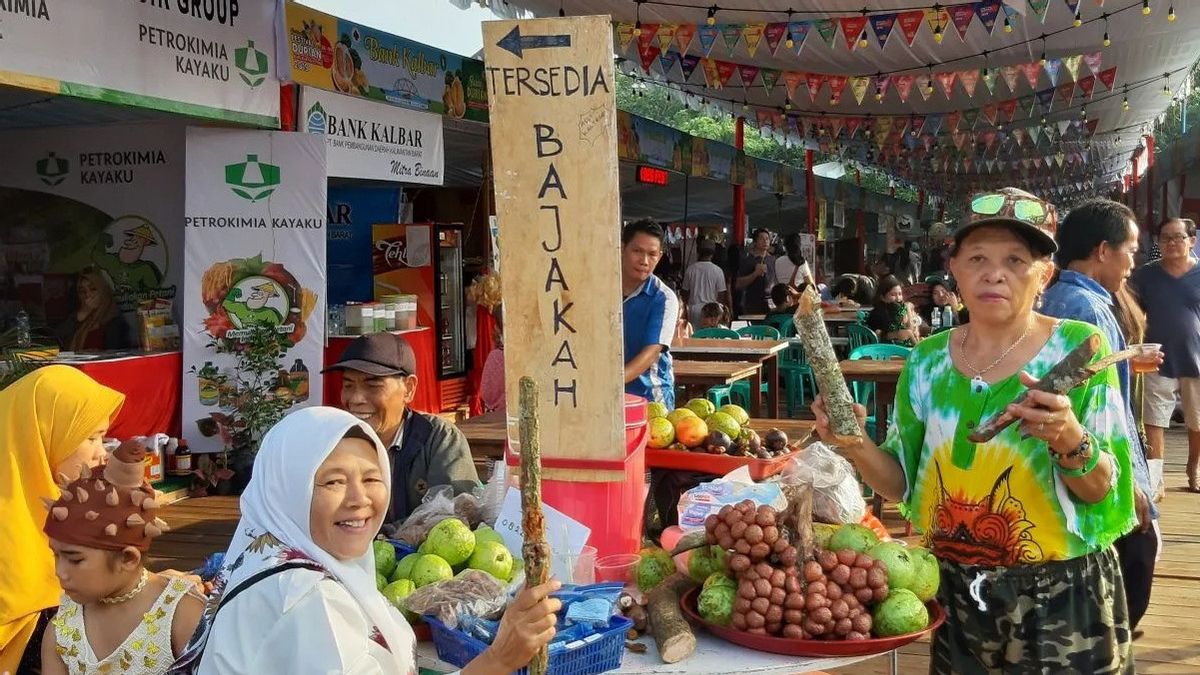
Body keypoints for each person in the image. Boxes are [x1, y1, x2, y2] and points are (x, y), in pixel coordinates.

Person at [812, 188, 1136, 674]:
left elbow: (1101, 489)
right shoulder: (926, 360)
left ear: (1044, 274)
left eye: (1016, 259)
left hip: (1062, 594)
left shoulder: (1080, 349)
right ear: (956, 269)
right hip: (957, 594)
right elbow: (902, 484)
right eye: (978, 257)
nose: (994, 272)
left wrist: (1069, 437)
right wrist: (856, 445)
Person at [176, 407, 561, 674]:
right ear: (287, 490)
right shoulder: (307, 600)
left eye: (371, 478)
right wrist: (497, 660)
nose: (360, 499)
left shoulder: (262, 555)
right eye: (333, 481)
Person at [1039, 198, 1157, 632]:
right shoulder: (1086, 310)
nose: (1133, 261)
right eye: (1130, 248)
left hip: (1076, 460)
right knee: (1134, 555)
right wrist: (1131, 482)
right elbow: (1097, 408)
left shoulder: (1066, 298)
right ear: (1102, 251)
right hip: (1091, 461)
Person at [40, 440, 204, 675]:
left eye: (74, 559)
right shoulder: (63, 628)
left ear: (128, 558)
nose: (59, 571)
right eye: (55, 555)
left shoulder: (180, 616)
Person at [0, 366, 124, 674]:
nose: (103, 455)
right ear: (41, 436)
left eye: (104, 438)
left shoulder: (56, 508)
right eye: (92, 438)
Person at [325, 333, 479, 523]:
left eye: (373, 386)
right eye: (348, 386)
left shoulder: (439, 438)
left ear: (409, 388)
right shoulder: (334, 442)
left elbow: (456, 513)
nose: (356, 399)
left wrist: (386, 537)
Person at [1130, 217, 1200, 492]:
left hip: (1196, 359)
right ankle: (1155, 479)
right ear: (1158, 243)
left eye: (1178, 237)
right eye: (1165, 238)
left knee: (1197, 421)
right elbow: (1132, 311)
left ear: (1191, 241)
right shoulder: (1145, 276)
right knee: (1154, 420)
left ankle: (1194, 468)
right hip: (1156, 358)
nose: (1171, 243)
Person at [621, 219, 678, 409]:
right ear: (621, 248)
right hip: (604, 397)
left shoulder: (664, 299)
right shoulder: (600, 290)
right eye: (637, 251)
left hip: (651, 399)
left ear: (660, 257)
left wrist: (609, 384)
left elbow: (650, 353)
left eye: (652, 254)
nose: (644, 261)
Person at [56, 267, 133, 352]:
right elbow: (59, 340)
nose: (87, 295)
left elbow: (115, 354)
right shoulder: (81, 319)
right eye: (82, 291)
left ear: (103, 292)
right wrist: (81, 315)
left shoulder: (114, 322)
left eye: (93, 289)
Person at [681, 239, 731, 330]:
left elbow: (684, 294)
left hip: (693, 311)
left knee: (695, 338)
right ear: (713, 253)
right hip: (712, 313)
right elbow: (721, 296)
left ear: (698, 251)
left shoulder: (691, 269)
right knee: (711, 338)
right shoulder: (718, 271)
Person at [866, 275, 919, 347]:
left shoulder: (900, 309)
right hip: (885, 350)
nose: (898, 298)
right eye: (893, 295)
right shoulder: (879, 313)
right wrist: (908, 309)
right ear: (882, 297)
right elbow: (908, 331)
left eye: (900, 294)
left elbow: (914, 329)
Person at [735, 229, 776, 314]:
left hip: (771, 303)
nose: (765, 241)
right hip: (752, 303)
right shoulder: (748, 260)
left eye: (767, 238)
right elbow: (738, 284)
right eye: (762, 238)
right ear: (755, 242)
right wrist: (755, 274)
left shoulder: (773, 260)